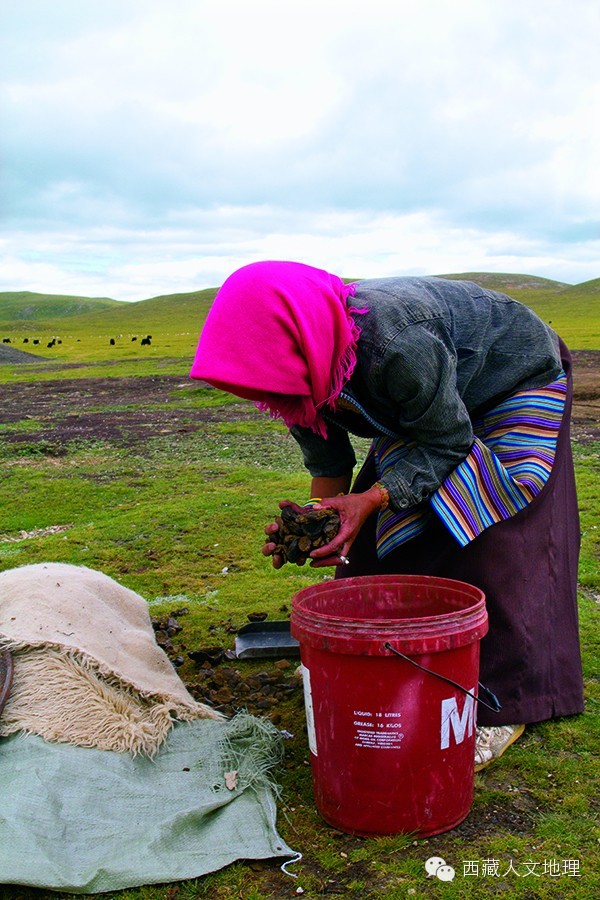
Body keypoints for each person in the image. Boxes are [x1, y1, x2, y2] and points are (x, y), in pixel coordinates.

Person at [190, 260, 585, 769]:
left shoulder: (396, 342)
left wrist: (373, 498)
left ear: (299, 338)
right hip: (438, 401)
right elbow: (328, 461)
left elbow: (448, 442)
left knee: (489, 527)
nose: (268, 396)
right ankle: (378, 652)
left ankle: (502, 703)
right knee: (374, 532)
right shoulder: (298, 366)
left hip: (512, 377)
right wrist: (320, 525)